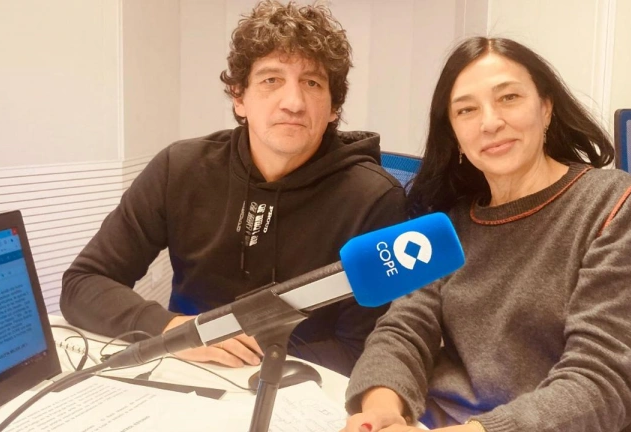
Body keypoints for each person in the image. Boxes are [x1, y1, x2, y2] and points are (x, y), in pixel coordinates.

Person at [344, 36, 631, 431]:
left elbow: (600, 382)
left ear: (546, 108)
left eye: (509, 98)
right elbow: (403, 330)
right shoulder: (449, 225)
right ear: (454, 135)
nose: (490, 122)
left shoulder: (611, 204)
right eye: (467, 110)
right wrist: (382, 409)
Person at [60, 0, 406, 377]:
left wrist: (245, 361)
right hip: (185, 373)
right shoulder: (180, 168)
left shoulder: (374, 199)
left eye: (312, 83)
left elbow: (364, 348)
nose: (293, 102)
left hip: (300, 383)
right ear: (240, 98)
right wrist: (172, 330)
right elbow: (83, 283)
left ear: (334, 107)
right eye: (271, 80)